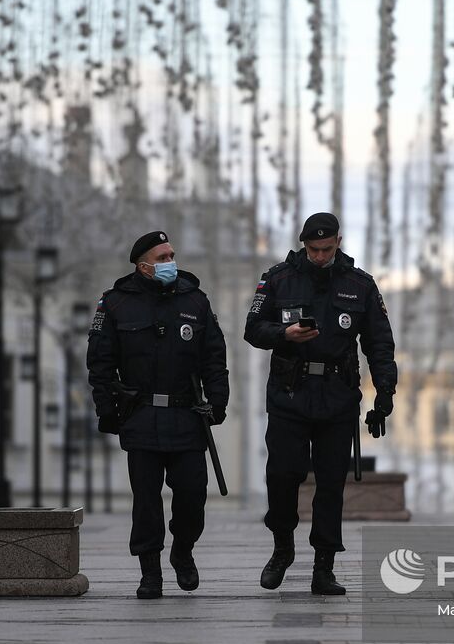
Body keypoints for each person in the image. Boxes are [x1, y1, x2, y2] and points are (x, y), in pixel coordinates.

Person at [245, 212, 398, 595]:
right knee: (282, 474)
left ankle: (324, 566)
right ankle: (282, 546)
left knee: (331, 483)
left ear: (338, 242)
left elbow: (379, 344)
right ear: (303, 244)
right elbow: (253, 330)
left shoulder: (360, 285)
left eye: (326, 249)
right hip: (289, 392)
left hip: (337, 396)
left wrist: (384, 394)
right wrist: (285, 334)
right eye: (313, 249)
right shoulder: (278, 279)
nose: (319, 256)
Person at [86, 230, 229, 600]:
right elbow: (100, 364)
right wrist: (107, 410)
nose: (170, 262)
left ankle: (183, 549)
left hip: (186, 416)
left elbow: (215, 358)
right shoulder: (115, 304)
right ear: (143, 265)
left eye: (172, 255)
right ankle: (150, 571)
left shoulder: (194, 301)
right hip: (141, 415)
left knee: (192, 495)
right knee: (146, 501)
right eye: (163, 257)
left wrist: (218, 402)